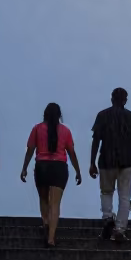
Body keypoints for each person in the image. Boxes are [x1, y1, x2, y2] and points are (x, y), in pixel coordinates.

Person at [20, 102, 82, 248]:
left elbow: (30, 150)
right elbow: (71, 152)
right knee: (55, 203)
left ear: (45, 114)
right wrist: (78, 170)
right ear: (59, 115)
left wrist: (24, 168)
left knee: (43, 199)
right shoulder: (65, 131)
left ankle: (46, 222)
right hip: (59, 168)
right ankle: (51, 238)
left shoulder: (37, 129)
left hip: (42, 167)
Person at [89, 87, 131, 243]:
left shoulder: (102, 115)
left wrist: (92, 163)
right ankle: (120, 229)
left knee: (106, 192)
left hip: (106, 159)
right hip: (127, 160)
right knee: (124, 196)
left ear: (111, 99)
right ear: (125, 100)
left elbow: (96, 141)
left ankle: (107, 217)